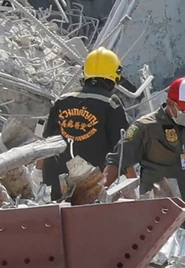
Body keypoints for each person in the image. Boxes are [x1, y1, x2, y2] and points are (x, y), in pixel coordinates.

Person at [103, 78, 185, 215]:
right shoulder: (146, 127)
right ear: (170, 103)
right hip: (156, 208)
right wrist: (101, 190)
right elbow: (119, 159)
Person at [39, 47, 130, 204]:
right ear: (115, 74)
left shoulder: (62, 100)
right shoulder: (111, 104)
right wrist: (132, 186)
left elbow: (45, 143)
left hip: (53, 186)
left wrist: (37, 172)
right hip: (88, 191)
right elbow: (124, 151)